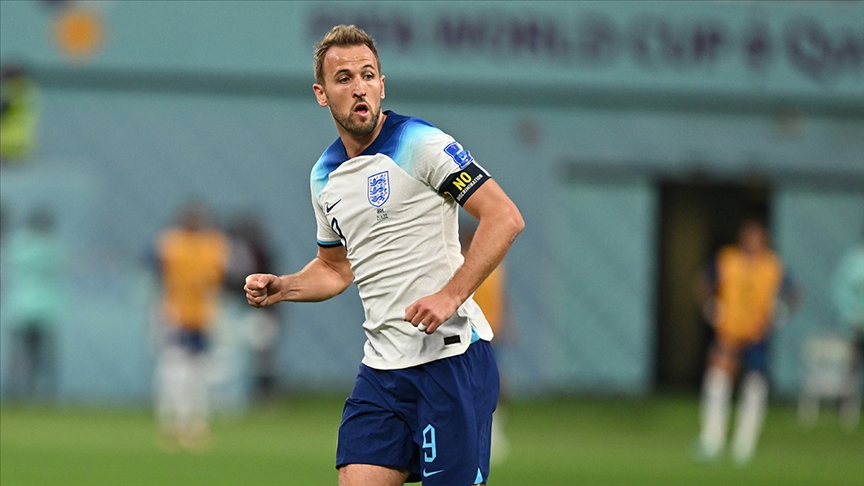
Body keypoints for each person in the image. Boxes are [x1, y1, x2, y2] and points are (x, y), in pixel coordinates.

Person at [244, 25, 524, 486]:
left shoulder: (421, 143)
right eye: (344, 78)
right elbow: (336, 268)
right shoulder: (324, 176)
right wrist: (284, 287)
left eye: (368, 75)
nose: (359, 87)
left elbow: (504, 217)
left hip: (450, 361)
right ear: (321, 93)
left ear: (382, 85)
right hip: (382, 371)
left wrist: (450, 296)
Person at [695, 219, 801, 465]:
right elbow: (702, 282)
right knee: (717, 382)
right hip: (729, 332)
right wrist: (712, 308)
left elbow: (794, 294)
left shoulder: (772, 265)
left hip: (756, 335)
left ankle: (744, 445)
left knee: (754, 388)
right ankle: (712, 440)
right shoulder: (727, 259)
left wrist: (779, 314)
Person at [153, 200, 229, 450]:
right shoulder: (172, 243)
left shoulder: (212, 244)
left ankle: (195, 421)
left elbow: (217, 279)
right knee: (175, 371)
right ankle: (175, 420)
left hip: (203, 315)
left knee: (199, 372)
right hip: (176, 313)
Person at [1, 207, 66, 401]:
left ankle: (15, 390)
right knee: (43, 356)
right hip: (46, 307)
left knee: (19, 353)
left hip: (21, 306)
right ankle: (41, 392)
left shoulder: (18, 246)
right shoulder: (54, 247)